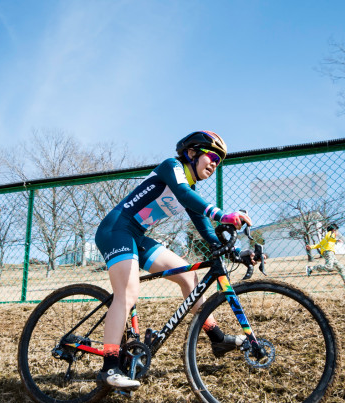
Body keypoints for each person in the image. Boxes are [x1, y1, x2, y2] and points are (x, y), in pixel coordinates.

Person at [93, 131, 252, 390]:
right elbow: (185, 195)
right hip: (116, 229)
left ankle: (216, 337)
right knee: (128, 294)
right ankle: (109, 367)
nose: (214, 164)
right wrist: (222, 214)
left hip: (136, 235)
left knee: (189, 276)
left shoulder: (190, 188)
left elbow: (205, 228)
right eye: (211, 156)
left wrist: (231, 249)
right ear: (191, 153)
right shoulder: (172, 167)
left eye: (219, 161)